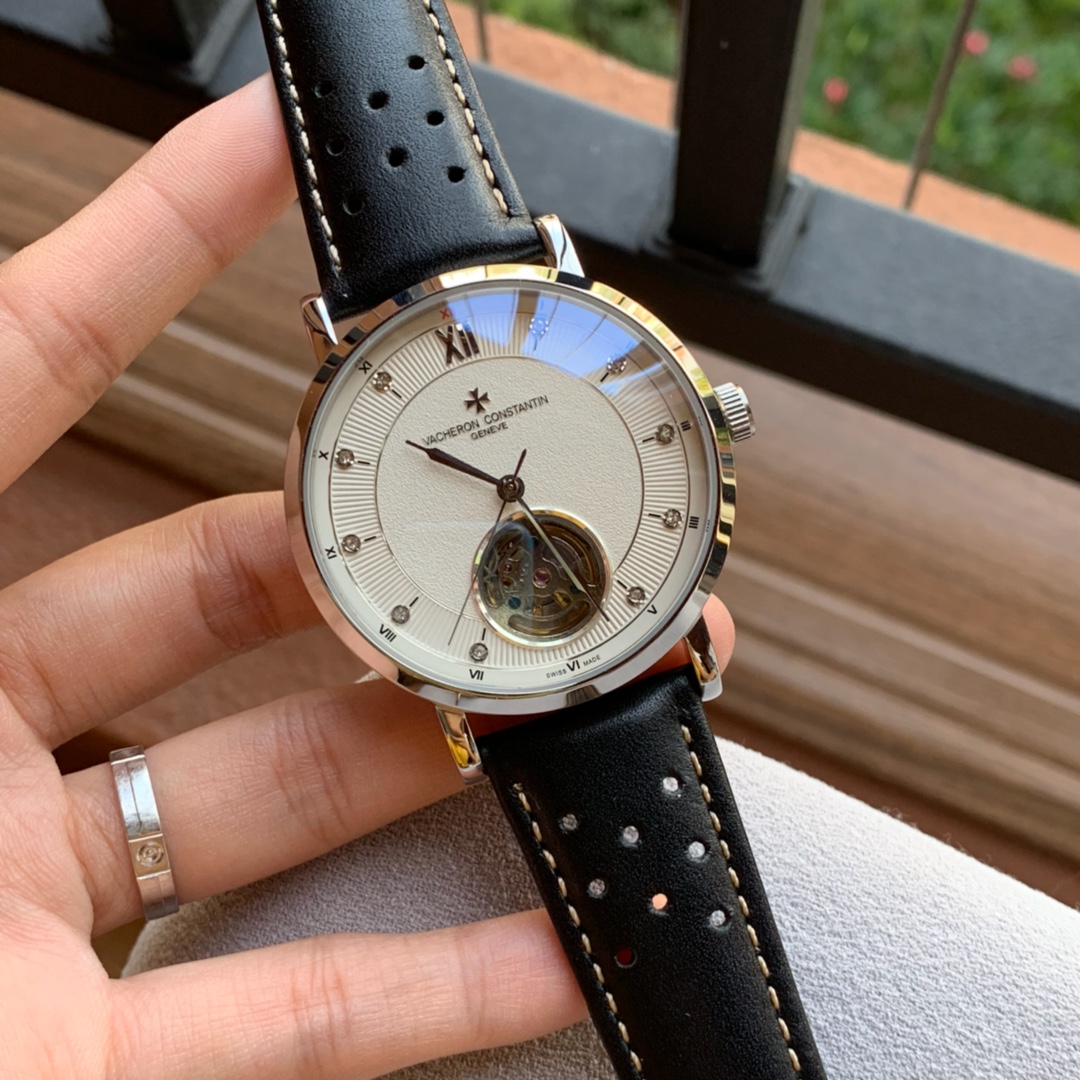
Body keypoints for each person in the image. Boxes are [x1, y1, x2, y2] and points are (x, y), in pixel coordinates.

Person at [2, 76, 1078, 1080]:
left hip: (619, 653)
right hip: (504, 681)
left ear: (710, 420)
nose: (509, 490)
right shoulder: (433, 489)